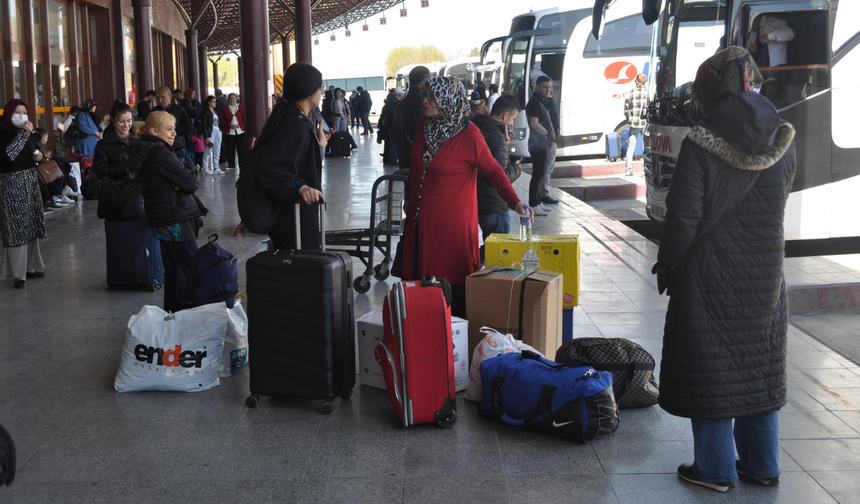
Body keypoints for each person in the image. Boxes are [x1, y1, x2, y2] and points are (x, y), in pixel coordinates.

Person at [652, 47, 796, 493]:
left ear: (712, 85)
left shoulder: (701, 140)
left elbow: (683, 217)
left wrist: (668, 262)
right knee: (758, 365)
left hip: (710, 274)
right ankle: (762, 464)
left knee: (711, 365)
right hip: (765, 275)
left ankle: (714, 470)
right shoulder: (783, 137)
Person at [401, 76, 532, 317]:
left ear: (448, 99)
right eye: (425, 96)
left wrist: (515, 201)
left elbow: (494, 171)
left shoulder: (470, 135)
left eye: (432, 97)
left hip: (452, 228)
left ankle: (452, 339)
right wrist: (409, 198)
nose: (425, 101)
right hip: (419, 223)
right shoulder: (424, 125)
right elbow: (416, 167)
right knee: (418, 289)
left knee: (449, 288)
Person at [127, 111, 207, 312]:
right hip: (174, 218)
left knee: (174, 271)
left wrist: (182, 173)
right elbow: (189, 182)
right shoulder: (160, 153)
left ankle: (174, 316)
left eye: (174, 129)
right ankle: (202, 314)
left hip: (162, 217)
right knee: (193, 268)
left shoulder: (148, 150)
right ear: (154, 131)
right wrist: (188, 169)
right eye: (169, 129)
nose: (174, 134)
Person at [254, 63, 328, 251]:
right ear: (309, 90)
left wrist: (319, 145)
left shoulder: (291, 116)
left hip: (291, 211)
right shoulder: (295, 122)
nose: (322, 92)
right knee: (302, 268)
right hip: (293, 212)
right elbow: (272, 168)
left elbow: (297, 162)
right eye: (320, 87)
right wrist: (300, 187)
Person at [0, 100, 47, 289]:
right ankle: (18, 274)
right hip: (12, 184)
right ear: (9, 114)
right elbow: (9, 155)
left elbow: (27, 153)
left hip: (29, 181)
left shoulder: (26, 135)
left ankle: (30, 267)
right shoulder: (3, 132)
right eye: (17, 112)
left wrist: (38, 156)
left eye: (24, 112)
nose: (22, 116)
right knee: (16, 227)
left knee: (31, 224)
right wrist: (24, 134)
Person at [471, 95, 522, 242]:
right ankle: (473, 265)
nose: (512, 124)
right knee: (498, 252)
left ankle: (474, 264)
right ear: (505, 115)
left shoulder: (477, 128)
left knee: (490, 249)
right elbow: (498, 177)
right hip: (494, 204)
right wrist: (516, 168)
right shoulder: (495, 136)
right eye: (512, 119)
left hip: (479, 201)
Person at [527, 76, 559, 216]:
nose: (548, 90)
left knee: (541, 173)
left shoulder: (542, 102)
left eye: (549, 87)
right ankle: (533, 205)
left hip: (543, 144)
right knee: (537, 174)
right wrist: (547, 134)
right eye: (545, 87)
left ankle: (538, 202)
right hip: (538, 145)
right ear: (537, 87)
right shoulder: (534, 103)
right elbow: (534, 123)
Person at [393, 65, 431, 170]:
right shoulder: (423, 104)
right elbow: (425, 134)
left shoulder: (400, 105)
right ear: (425, 81)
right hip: (419, 161)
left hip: (404, 160)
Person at [33, 128, 75, 209]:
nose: (47, 139)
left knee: (61, 166)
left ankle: (63, 190)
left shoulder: (39, 145)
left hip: (42, 166)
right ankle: (56, 195)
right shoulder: (36, 146)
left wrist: (45, 156)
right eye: (47, 137)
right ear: (42, 137)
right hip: (40, 169)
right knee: (59, 168)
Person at [152, 87, 192, 164]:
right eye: (158, 97)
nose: (160, 100)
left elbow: (187, 129)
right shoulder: (154, 111)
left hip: (177, 148)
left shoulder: (180, 110)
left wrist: (170, 128)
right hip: (158, 148)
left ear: (170, 96)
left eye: (162, 97)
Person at [624, 73, 648, 177]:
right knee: (646, 147)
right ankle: (645, 171)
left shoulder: (630, 93)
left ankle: (628, 170)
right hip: (646, 124)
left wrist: (630, 120)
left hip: (634, 124)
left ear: (637, 81)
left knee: (631, 147)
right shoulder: (648, 93)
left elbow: (626, 110)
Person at [379, 87, 404, 165]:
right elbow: (391, 113)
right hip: (391, 125)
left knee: (389, 141)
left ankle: (387, 158)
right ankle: (393, 159)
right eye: (402, 94)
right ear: (398, 94)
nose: (403, 95)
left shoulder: (392, 100)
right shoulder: (394, 101)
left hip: (389, 125)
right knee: (393, 142)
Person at [220, 93, 245, 169]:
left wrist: (239, 125)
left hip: (240, 131)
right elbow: (222, 119)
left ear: (236, 98)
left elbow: (245, 118)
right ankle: (231, 164)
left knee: (241, 148)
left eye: (233, 98)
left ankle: (242, 164)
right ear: (228, 99)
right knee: (230, 149)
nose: (232, 99)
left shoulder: (240, 107)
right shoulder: (226, 108)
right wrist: (228, 125)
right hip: (229, 131)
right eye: (230, 98)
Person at [200, 95, 224, 175]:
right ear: (209, 102)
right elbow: (204, 124)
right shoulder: (206, 112)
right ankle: (205, 167)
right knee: (208, 149)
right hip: (210, 131)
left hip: (217, 131)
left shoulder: (215, 111)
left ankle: (216, 167)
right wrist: (206, 136)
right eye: (213, 101)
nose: (215, 103)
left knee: (217, 150)